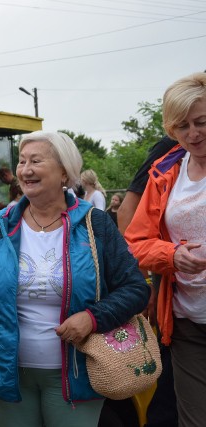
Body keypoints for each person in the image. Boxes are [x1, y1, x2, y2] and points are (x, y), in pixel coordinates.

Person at [0, 131, 149, 427]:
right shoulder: (1, 226)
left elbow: (135, 288)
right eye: (21, 161)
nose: (25, 169)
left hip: (77, 372)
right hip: (9, 373)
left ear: (63, 172)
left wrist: (92, 318)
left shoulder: (95, 224)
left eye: (36, 160)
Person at [124, 72, 206, 427]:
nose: (193, 134)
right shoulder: (165, 171)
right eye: (182, 126)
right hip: (187, 322)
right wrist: (171, 256)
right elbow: (137, 241)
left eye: (201, 122)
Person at [118, 135, 179, 427]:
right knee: (171, 401)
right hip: (179, 308)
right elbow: (127, 214)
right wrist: (142, 286)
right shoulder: (174, 145)